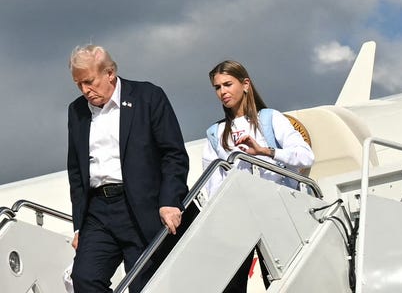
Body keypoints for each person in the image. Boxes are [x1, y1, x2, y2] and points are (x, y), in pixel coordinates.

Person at [67, 44, 189, 293]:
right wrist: (79, 224)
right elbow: (76, 171)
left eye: (89, 82)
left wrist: (170, 201)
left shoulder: (148, 96)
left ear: (109, 73)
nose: (85, 90)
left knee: (142, 286)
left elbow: (173, 154)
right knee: (84, 278)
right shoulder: (76, 111)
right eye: (79, 84)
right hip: (98, 211)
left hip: (141, 207)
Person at [202, 60, 314, 292]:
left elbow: (305, 156)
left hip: (276, 210)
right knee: (232, 284)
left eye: (227, 84)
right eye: (217, 87)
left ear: (245, 84)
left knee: (282, 280)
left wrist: (265, 151)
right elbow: (212, 184)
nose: (222, 92)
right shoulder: (216, 133)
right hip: (239, 216)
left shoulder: (270, 119)